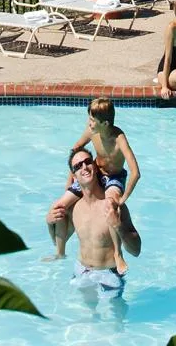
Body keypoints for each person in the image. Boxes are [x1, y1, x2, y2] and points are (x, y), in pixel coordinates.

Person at [45, 101, 142, 264]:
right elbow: (75, 149)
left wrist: (123, 199)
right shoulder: (92, 131)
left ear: (104, 123)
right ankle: (59, 252)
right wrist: (70, 180)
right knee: (58, 207)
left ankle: (118, 254)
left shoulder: (119, 139)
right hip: (95, 172)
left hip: (114, 178)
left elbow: (136, 173)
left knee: (110, 206)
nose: (88, 123)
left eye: (92, 120)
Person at [69, 150, 126, 300]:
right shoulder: (74, 207)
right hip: (82, 270)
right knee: (89, 315)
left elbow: (136, 249)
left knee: (117, 319)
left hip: (109, 273)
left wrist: (119, 226)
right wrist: (50, 219)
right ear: (74, 176)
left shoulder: (113, 205)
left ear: (95, 166)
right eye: (78, 166)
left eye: (88, 162)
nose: (84, 167)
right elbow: (61, 235)